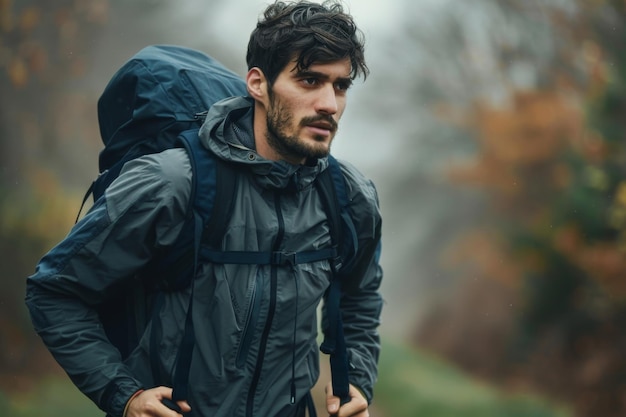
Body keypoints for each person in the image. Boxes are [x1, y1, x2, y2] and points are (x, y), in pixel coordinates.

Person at [25, 1, 383, 416]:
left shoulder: (348, 197)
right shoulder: (173, 183)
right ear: (257, 84)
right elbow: (55, 291)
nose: (330, 104)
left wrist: (355, 377)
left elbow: (360, 294)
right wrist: (122, 395)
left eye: (340, 86)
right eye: (308, 80)